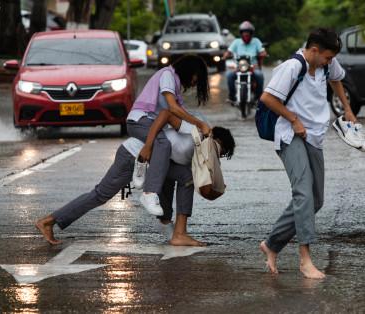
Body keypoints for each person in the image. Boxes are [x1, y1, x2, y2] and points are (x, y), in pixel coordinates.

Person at [35, 110, 235, 246]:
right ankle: (49, 220)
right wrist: (148, 145)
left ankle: (178, 234)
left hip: (150, 166)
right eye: (221, 151)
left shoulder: (199, 154)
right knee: (100, 195)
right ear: (216, 141)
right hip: (133, 156)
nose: (217, 157)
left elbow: (200, 186)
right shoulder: (197, 132)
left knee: (186, 178)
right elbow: (166, 114)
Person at [258, 28, 357, 279]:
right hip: (291, 134)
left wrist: (347, 109)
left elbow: (337, 79)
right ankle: (305, 260)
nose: (330, 62)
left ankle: (271, 244)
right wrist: (293, 119)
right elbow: (268, 98)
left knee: (316, 199)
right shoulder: (292, 67)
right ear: (314, 51)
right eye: (327, 57)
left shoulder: (326, 65)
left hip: (314, 135)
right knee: (303, 193)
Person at [126, 55, 211, 217]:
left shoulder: (175, 85)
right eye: (196, 77)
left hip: (152, 123)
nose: (194, 82)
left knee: (168, 153)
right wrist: (201, 125)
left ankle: (165, 218)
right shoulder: (167, 75)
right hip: (140, 120)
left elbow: (182, 115)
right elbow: (172, 109)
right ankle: (149, 193)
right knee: (163, 144)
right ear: (190, 70)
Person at [223, 21, 267, 102]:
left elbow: (263, 52)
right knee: (229, 75)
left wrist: (263, 54)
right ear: (241, 33)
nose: (246, 34)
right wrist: (225, 55)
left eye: (248, 32)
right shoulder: (236, 41)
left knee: (259, 75)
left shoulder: (256, 41)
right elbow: (228, 52)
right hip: (239, 67)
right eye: (244, 32)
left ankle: (258, 97)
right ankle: (232, 97)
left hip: (253, 67)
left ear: (251, 33)